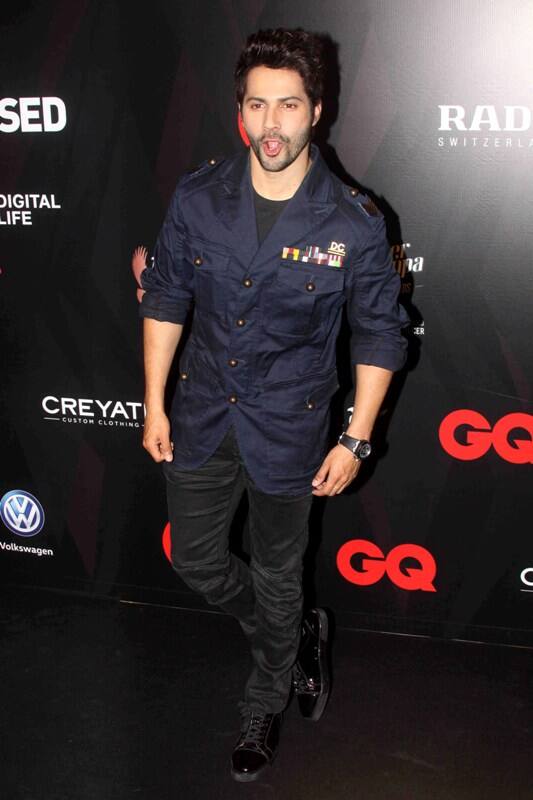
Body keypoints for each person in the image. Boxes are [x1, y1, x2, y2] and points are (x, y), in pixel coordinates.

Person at [139, 28, 408, 782]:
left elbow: (380, 335)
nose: (270, 124)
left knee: (279, 571)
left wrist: (355, 439)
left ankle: (264, 698)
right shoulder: (197, 196)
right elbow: (164, 298)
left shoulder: (354, 221)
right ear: (240, 112)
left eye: (288, 105)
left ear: (316, 111)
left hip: (290, 427)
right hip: (199, 414)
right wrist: (153, 403)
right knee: (194, 559)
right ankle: (291, 636)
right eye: (257, 105)